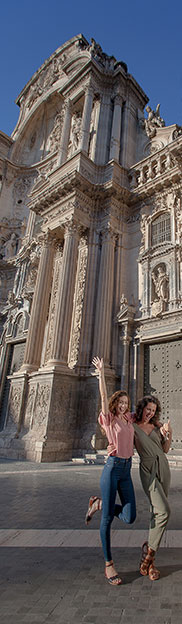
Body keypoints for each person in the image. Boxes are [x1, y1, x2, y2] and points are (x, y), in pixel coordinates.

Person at [85, 356, 136, 585]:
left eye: (127, 402)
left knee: (130, 516)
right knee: (107, 520)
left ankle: (99, 503)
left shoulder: (129, 420)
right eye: (121, 402)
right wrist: (101, 373)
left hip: (126, 469)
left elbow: (148, 415)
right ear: (116, 403)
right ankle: (108, 564)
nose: (124, 405)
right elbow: (104, 397)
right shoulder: (109, 419)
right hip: (112, 468)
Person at [133, 395, 172, 581]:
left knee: (155, 513)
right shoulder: (132, 427)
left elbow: (165, 449)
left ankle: (150, 562)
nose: (150, 413)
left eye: (154, 410)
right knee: (164, 511)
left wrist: (168, 434)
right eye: (148, 409)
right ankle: (149, 555)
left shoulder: (157, 426)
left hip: (163, 467)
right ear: (142, 408)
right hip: (148, 470)